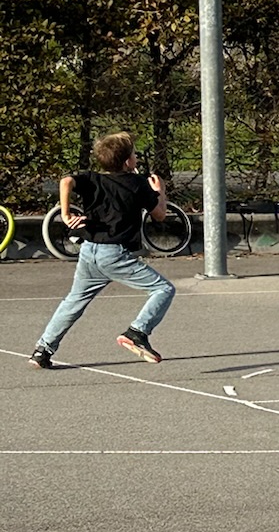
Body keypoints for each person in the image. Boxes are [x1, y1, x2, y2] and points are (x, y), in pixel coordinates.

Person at [30, 133, 176, 368]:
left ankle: (42, 350)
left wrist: (66, 214)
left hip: (89, 251)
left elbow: (66, 181)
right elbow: (159, 215)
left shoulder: (92, 179)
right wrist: (160, 192)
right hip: (115, 254)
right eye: (134, 154)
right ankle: (137, 332)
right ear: (128, 161)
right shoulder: (137, 184)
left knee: (74, 301)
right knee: (163, 289)